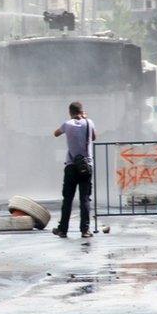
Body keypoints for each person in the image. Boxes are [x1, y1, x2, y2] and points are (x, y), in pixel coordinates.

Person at [52, 102, 96, 239]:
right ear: (82, 111)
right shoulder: (89, 123)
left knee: (68, 199)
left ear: (70, 112)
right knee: (85, 199)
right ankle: (85, 230)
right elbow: (94, 137)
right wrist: (85, 119)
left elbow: (56, 133)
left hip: (71, 166)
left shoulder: (67, 124)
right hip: (86, 166)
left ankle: (63, 229)